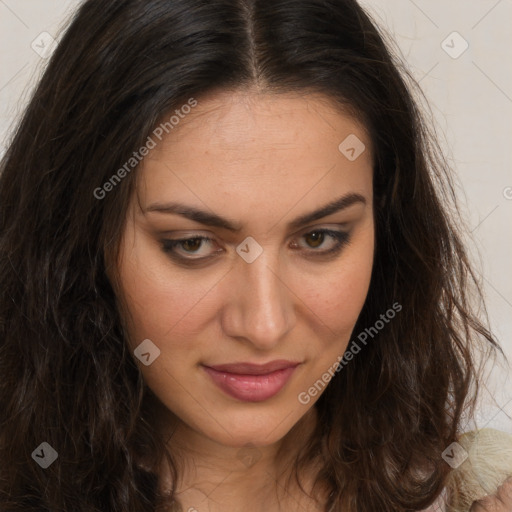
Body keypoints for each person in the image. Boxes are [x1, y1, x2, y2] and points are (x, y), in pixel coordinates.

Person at [0, 1, 510, 511]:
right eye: (192, 244)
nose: (264, 325)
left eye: (319, 238)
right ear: (83, 244)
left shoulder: (475, 487)